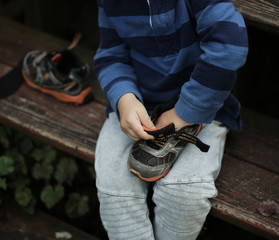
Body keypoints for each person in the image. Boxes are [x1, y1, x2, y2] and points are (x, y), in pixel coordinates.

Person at [93, 0, 248, 239]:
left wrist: (183, 113)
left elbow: (228, 46)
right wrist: (124, 97)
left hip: (203, 105)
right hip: (136, 105)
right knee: (115, 191)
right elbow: (111, 55)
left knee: (183, 192)